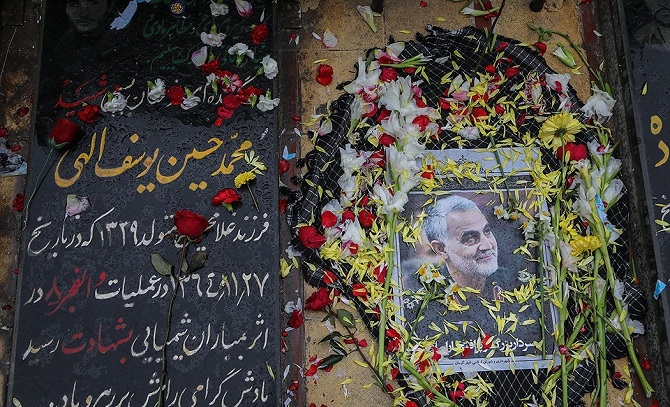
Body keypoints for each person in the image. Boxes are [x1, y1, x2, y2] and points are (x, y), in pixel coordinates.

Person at [423, 195, 501, 294]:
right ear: (441, 249)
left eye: (487, 231)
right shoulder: (428, 293)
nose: (488, 246)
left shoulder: (513, 280)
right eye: (470, 239)